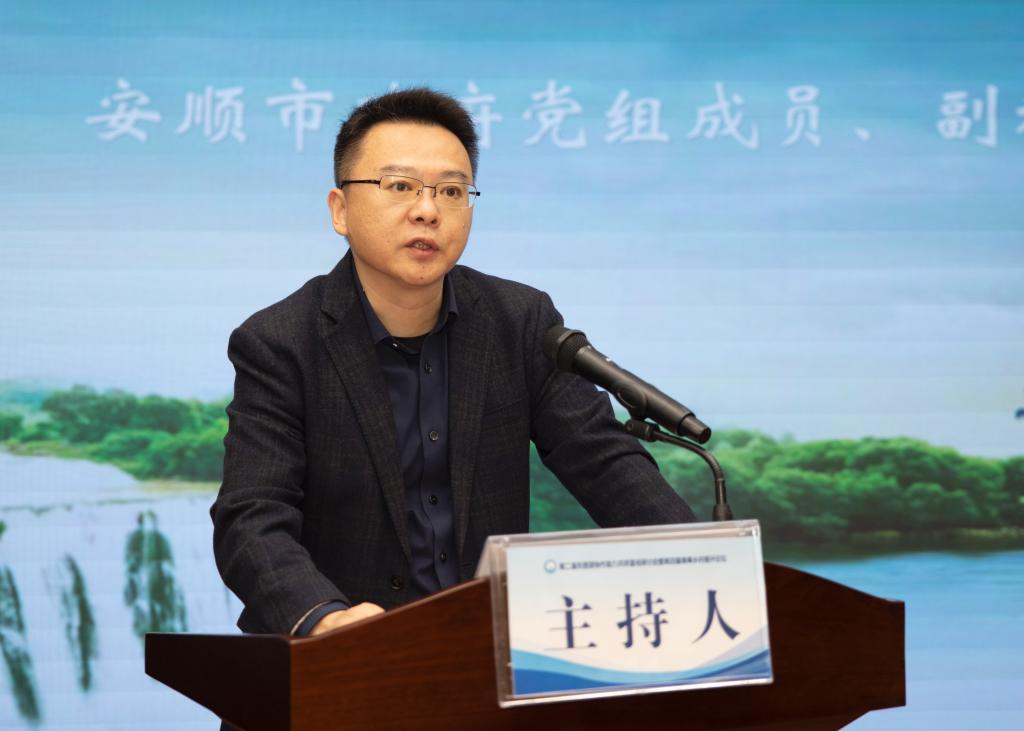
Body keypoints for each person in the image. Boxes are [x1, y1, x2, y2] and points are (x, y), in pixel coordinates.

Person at [210, 87, 697, 640]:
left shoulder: (520, 321)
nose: (427, 210)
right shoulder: (280, 342)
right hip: (342, 659)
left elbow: (605, 462)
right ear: (340, 210)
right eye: (399, 186)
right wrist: (325, 617)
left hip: (483, 655)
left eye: (451, 191)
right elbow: (252, 515)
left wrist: (700, 565)